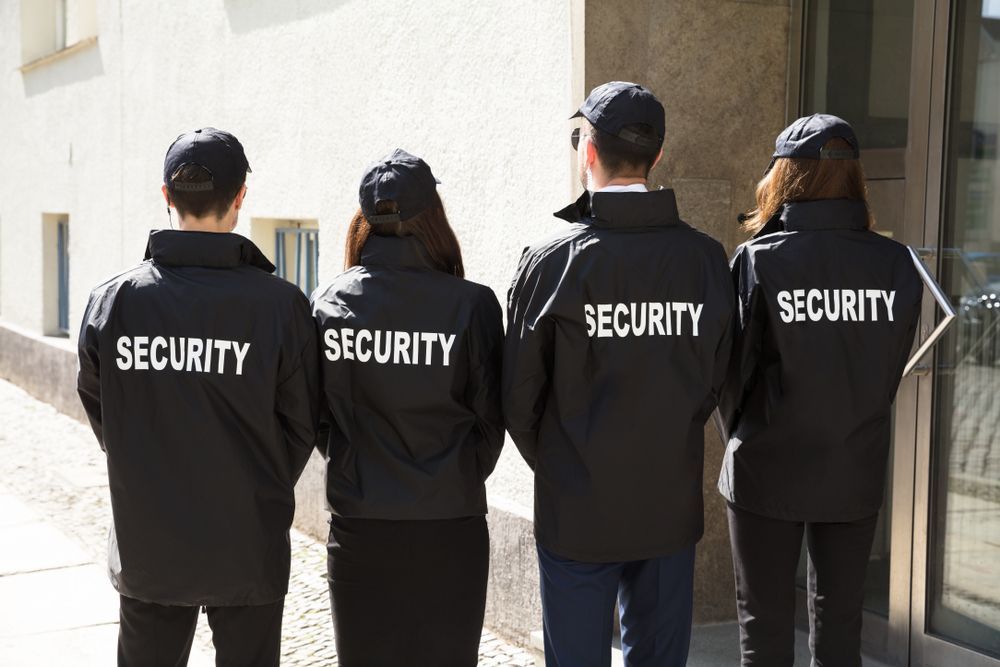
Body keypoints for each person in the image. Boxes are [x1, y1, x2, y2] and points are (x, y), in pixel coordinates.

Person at [503, 82, 735, 667]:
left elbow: (518, 396)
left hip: (577, 508)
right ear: (656, 157)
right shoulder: (705, 259)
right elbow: (714, 380)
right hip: (665, 502)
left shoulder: (552, 260)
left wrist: (568, 458)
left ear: (588, 153)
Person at [77, 127, 319, 666]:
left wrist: (145, 464)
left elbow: (102, 412)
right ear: (240, 198)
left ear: (166, 196)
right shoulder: (280, 306)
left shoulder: (113, 303)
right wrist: (255, 480)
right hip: (246, 536)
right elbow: (302, 423)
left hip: (150, 538)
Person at [717, 114, 923, 666]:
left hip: (766, 461)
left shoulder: (760, 260)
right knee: (840, 628)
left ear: (784, 176)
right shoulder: (897, 263)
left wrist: (740, 435)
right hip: (852, 461)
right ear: (854, 177)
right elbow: (890, 365)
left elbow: (731, 375)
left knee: (764, 630)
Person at [312, 148, 504, 667]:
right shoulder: (472, 304)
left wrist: (355, 465)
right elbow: (491, 421)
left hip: (360, 521)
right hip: (451, 523)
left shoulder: (328, 303)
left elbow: (318, 419)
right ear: (433, 218)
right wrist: (451, 475)